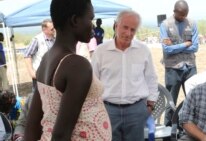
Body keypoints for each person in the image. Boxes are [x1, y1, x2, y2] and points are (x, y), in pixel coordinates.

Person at [24, 0, 111, 140]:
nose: (93, 25)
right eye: (90, 19)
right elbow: (61, 135)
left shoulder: (47, 58)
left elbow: (32, 124)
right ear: (75, 20)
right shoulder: (77, 65)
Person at [91, 10, 159, 141]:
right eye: (125, 27)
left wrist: (150, 105)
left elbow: (151, 78)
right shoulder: (101, 51)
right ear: (116, 25)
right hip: (108, 110)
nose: (128, 33)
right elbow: (93, 82)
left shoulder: (143, 50)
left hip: (136, 111)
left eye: (133, 30)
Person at [159, 0, 199, 126]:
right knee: (171, 101)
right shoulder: (165, 25)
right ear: (175, 11)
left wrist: (176, 46)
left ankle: (193, 129)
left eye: (185, 14)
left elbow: (195, 47)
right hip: (173, 69)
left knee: (194, 100)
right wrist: (185, 44)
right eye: (181, 15)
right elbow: (167, 49)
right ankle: (167, 131)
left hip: (190, 67)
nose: (184, 17)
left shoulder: (192, 23)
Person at [24, 19, 55, 90]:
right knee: (38, 96)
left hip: (51, 75)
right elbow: (27, 55)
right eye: (52, 29)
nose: (54, 30)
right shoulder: (37, 39)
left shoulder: (55, 39)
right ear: (44, 29)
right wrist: (31, 72)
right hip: (40, 75)